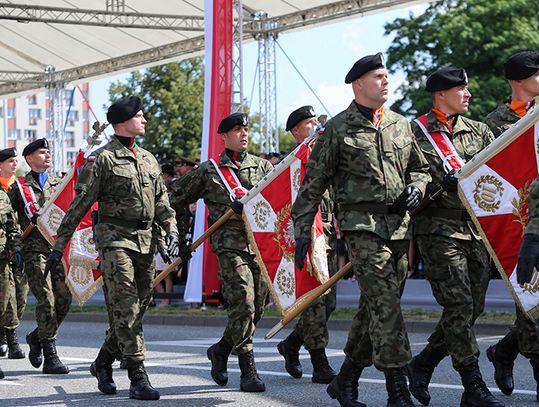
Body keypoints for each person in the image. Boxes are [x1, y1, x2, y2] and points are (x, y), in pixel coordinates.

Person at [292, 53, 430, 407]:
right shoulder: (337, 129)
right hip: (361, 228)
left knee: (376, 306)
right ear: (358, 84)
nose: (386, 81)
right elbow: (313, 182)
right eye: (378, 76)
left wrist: (418, 185)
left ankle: (346, 379)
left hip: (399, 229)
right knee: (387, 307)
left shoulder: (401, 125)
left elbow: (420, 168)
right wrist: (302, 229)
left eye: (386, 76)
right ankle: (397, 390)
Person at [44, 96, 181, 400]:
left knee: (138, 307)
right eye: (140, 116)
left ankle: (103, 361)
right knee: (126, 307)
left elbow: (162, 203)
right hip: (114, 240)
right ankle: (137, 375)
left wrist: (171, 231)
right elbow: (78, 205)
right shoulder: (102, 159)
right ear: (123, 121)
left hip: (145, 241)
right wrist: (59, 245)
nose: (144, 120)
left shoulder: (148, 158)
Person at [407, 67, 503, 407]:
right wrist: (433, 186)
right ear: (440, 95)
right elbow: (407, 179)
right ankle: (473, 385)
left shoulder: (479, 130)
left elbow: (498, 172)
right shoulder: (413, 133)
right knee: (459, 304)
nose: (468, 94)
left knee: (471, 308)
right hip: (438, 230)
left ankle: (425, 361)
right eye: (461, 89)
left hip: (475, 231)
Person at [170, 112, 272, 393]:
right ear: (224, 136)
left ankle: (222, 349)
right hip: (230, 246)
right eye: (237, 130)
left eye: (246, 129)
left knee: (258, 308)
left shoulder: (263, 167)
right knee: (245, 304)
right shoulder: (210, 170)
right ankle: (248, 370)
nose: (243, 134)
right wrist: (180, 238)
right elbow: (175, 198)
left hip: (261, 247)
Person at [484, 50, 539, 400]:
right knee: (530, 299)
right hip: (520, 225)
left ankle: (503, 351)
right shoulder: (494, 124)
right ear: (520, 80)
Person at [277, 105, 337, 384]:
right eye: (308, 122)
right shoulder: (293, 162)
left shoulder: (324, 155)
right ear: (295, 131)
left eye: (315, 119)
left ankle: (291, 344)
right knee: (315, 301)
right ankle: (320, 362)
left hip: (327, 236)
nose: (314, 124)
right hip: (306, 238)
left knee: (329, 304)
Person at [8, 139, 72, 374]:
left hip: (57, 250)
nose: (47, 156)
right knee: (46, 300)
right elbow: (9, 221)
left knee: (64, 300)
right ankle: (50, 354)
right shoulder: (19, 189)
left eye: (48, 152)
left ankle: (36, 336)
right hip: (34, 252)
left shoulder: (59, 185)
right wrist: (15, 247)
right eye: (42, 153)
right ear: (29, 159)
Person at [0, 148, 27, 360]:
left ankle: (9, 336)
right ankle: (8, 338)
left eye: (15, 160)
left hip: (8, 252)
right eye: (10, 160)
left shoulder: (17, 188)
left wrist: (16, 248)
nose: (14, 164)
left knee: (17, 296)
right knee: (6, 296)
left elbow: (12, 225)